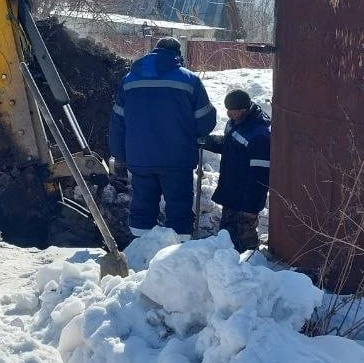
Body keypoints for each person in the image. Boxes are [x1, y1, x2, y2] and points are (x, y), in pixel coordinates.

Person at [109, 37, 217, 241]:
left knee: (142, 207)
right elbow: (204, 121)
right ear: (178, 55)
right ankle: (178, 254)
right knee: (179, 208)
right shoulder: (189, 80)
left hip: (139, 158)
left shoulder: (129, 80)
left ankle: (141, 254)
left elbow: (117, 122)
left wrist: (119, 156)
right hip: (177, 159)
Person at [201, 89, 271, 252]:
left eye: (232, 110)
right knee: (226, 237)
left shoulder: (259, 135)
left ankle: (252, 266)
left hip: (246, 198)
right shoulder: (236, 122)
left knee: (245, 239)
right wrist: (207, 141)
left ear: (243, 109)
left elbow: (260, 177)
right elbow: (229, 146)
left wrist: (250, 206)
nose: (228, 114)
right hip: (231, 192)